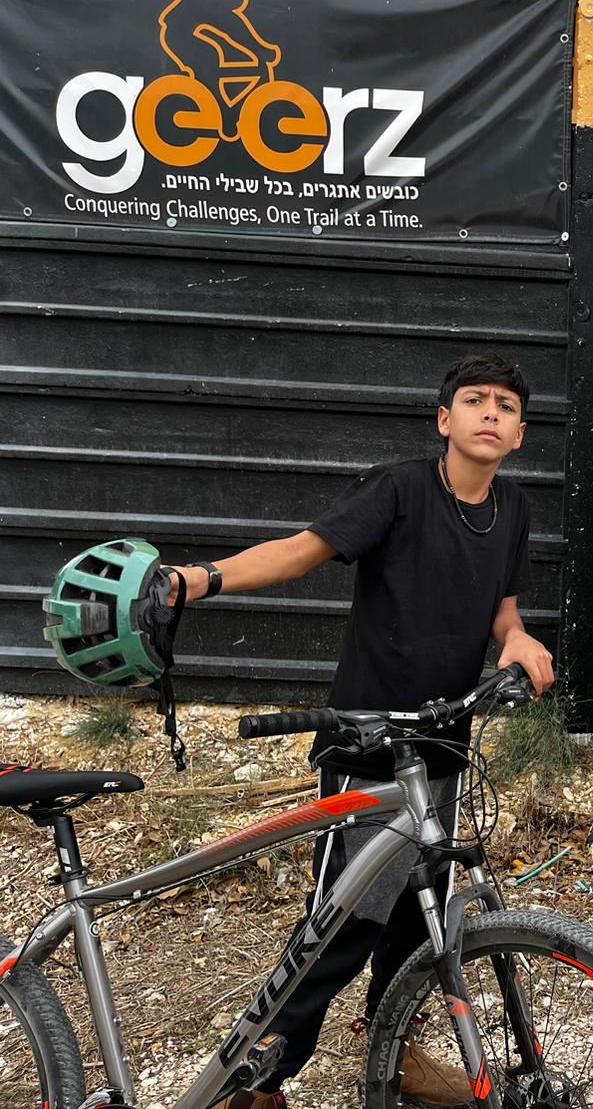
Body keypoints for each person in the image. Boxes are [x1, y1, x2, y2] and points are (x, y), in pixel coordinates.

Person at [161, 355, 556, 1109]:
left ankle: (394, 1044)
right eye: (474, 400)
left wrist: (517, 639)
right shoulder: (399, 490)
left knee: (418, 913)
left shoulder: (513, 508)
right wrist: (198, 579)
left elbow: (503, 612)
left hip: (443, 740)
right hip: (369, 742)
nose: (490, 413)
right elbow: (299, 554)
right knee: (344, 923)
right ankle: (259, 1077)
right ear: (444, 419)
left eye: (505, 406)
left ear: (519, 434)